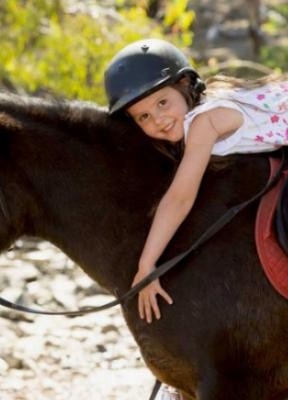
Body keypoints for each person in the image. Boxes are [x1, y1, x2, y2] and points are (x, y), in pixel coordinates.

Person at [104, 38, 288, 400]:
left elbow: (180, 197)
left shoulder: (203, 122)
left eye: (162, 103)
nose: (158, 119)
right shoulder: (197, 116)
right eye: (143, 116)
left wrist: (146, 265)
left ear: (186, 86)